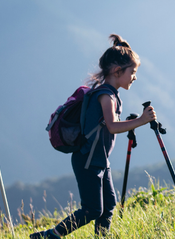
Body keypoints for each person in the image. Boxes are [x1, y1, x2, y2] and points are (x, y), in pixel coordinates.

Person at [30, 34, 158, 239]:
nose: (135, 77)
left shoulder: (109, 93)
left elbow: (107, 126)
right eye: (132, 72)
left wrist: (132, 123)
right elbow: (112, 126)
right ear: (118, 71)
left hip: (98, 159)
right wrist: (141, 121)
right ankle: (50, 235)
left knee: (108, 207)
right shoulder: (106, 96)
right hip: (87, 160)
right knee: (92, 209)